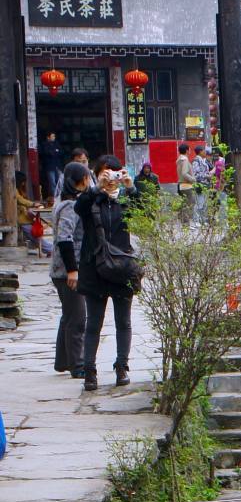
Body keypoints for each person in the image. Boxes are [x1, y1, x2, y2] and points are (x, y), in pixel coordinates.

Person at [76, 155, 137, 391]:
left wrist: (131, 189)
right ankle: (89, 371)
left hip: (122, 267)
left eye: (115, 173)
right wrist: (95, 188)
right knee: (94, 323)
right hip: (95, 267)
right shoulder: (91, 199)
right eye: (106, 173)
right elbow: (78, 208)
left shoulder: (126, 200)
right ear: (98, 174)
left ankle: (122, 366)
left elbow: (147, 214)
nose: (111, 179)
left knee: (124, 321)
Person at [51, 161, 91, 376]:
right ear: (81, 180)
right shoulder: (70, 206)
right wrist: (73, 270)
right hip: (67, 269)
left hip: (61, 269)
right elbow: (65, 239)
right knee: (77, 318)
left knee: (68, 315)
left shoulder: (66, 202)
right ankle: (78, 365)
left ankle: (63, 361)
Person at [15, 172, 47, 256]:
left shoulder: (19, 190)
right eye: (23, 181)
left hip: (25, 217)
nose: (24, 184)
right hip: (21, 219)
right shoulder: (14, 190)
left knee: (37, 231)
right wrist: (32, 204)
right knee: (34, 234)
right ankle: (49, 249)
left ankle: (45, 247)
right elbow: (20, 200)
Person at [39, 130, 63, 200]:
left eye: (54, 136)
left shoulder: (56, 143)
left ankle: (60, 196)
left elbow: (61, 152)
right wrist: (55, 151)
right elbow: (47, 153)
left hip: (57, 166)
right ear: (48, 137)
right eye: (52, 136)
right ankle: (55, 197)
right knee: (52, 183)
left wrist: (54, 152)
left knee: (60, 181)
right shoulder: (44, 144)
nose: (54, 137)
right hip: (49, 166)